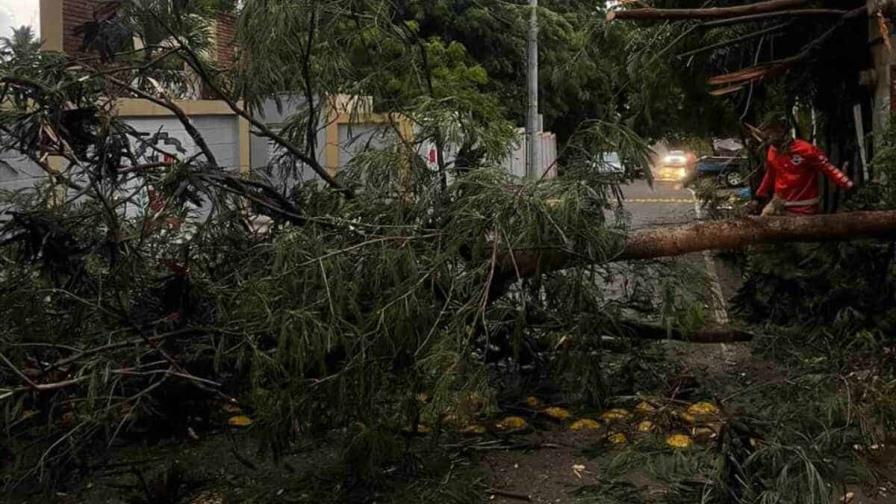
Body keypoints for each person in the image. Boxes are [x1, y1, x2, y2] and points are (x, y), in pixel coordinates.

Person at [751, 116, 854, 216]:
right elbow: (771, 174)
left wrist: (847, 184)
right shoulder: (773, 151)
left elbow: (827, 168)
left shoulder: (806, 150)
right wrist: (759, 196)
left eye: (770, 130)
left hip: (804, 204)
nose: (766, 135)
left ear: (781, 130)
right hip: (779, 201)